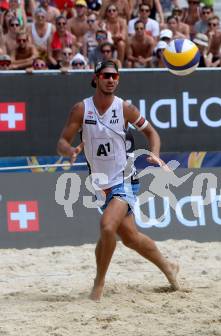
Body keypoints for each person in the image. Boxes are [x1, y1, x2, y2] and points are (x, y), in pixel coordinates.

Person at [56, 60, 180, 301]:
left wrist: (154, 154)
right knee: (130, 237)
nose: (111, 79)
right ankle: (168, 266)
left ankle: (98, 285)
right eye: (106, 75)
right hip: (99, 183)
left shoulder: (126, 108)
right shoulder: (81, 109)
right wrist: (69, 151)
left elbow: (152, 133)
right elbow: (62, 141)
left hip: (124, 178)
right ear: (96, 78)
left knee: (107, 226)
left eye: (114, 76)